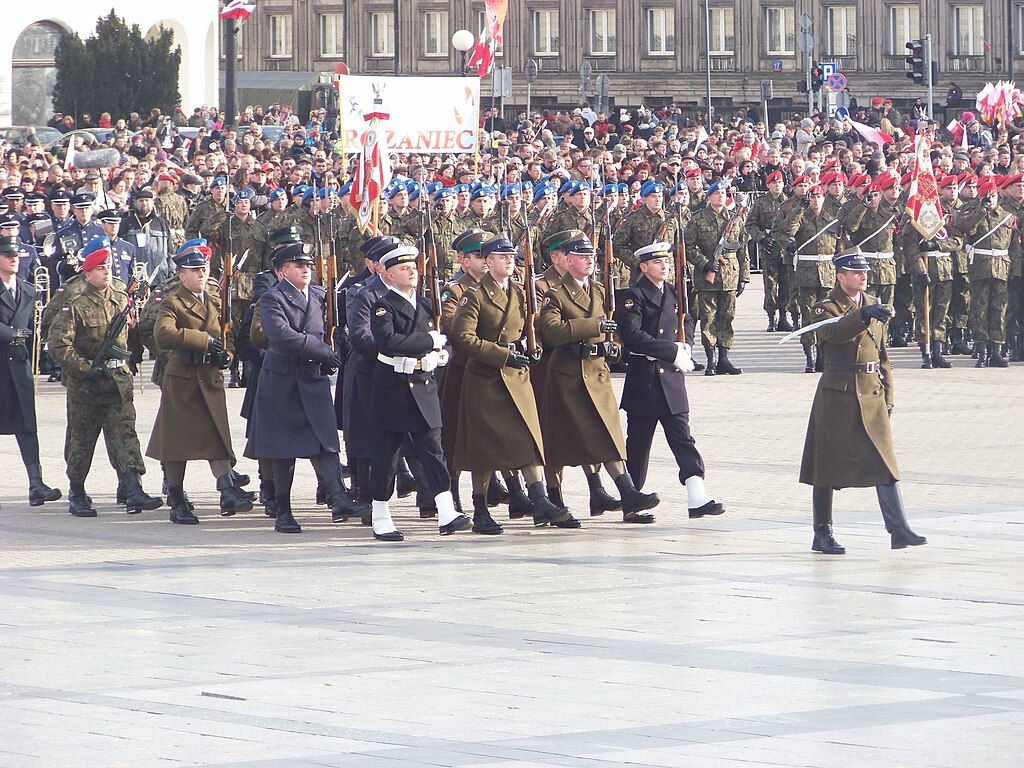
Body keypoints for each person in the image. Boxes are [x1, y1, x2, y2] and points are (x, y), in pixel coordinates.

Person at [799, 252, 927, 554]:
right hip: (838, 394)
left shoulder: (874, 306)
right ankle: (822, 533)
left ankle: (899, 530)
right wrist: (863, 315)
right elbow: (834, 334)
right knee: (826, 466)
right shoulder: (826, 307)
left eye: (864, 272)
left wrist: (890, 395)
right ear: (840, 276)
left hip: (871, 393)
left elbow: (883, 356)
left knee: (884, 462)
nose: (862, 276)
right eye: (854, 272)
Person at [449, 235, 578, 533]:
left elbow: (527, 327)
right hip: (485, 377)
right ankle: (480, 509)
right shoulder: (476, 295)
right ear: (487, 261)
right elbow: (462, 337)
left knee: (528, 438)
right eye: (501, 256)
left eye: (512, 256)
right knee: (483, 449)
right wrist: (501, 354)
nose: (509, 261)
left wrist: (530, 346)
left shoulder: (519, 292)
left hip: (516, 376)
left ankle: (539, 499)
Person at [537, 232, 661, 524]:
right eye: (582, 257)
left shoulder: (600, 291)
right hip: (568, 375)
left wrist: (613, 347)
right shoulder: (556, 294)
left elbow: (615, 330)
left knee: (610, 435)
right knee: (561, 442)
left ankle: (628, 493)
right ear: (568, 261)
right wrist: (589, 326)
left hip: (597, 374)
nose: (589, 262)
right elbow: (551, 331)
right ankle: (554, 501)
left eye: (591, 257)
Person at [245, 238, 367, 533]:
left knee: (325, 442)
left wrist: (333, 353)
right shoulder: (273, 298)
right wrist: (322, 351)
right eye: (298, 266)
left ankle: (338, 497)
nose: (305, 270)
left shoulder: (320, 295)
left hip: (313, 378)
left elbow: (332, 331)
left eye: (308, 266)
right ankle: (283, 510)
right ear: (282, 271)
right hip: (282, 379)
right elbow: (281, 335)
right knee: (283, 449)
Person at [47, 236, 163, 517]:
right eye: (100, 268)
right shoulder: (74, 302)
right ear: (87, 273)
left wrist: (134, 360)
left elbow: (131, 337)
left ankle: (133, 489)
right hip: (86, 383)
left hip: (117, 380)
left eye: (108, 267)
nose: (106, 272)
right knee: (82, 439)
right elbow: (58, 344)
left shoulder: (121, 299)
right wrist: (86, 369)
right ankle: (77, 491)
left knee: (125, 434)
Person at [367, 241, 472, 541]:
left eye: (413, 267)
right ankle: (380, 514)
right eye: (403, 268)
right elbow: (388, 341)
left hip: (424, 386)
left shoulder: (427, 305)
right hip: (393, 388)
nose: (411, 271)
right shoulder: (383, 306)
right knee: (387, 456)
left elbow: (445, 339)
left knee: (433, 450)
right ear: (388, 275)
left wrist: (443, 355)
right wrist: (429, 343)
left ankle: (446, 510)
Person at [146, 240, 254, 524]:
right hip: (182, 377)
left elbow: (226, 337)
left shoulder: (215, 301)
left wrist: (227, 356)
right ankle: (177, 497)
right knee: (175, 444)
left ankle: (227, 489)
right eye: (194, 270)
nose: (201, 274)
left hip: (209, 377)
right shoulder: (173, 301)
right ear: (181, 275)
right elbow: (164, 335)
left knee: (216, 436)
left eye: (203, 269)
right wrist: (203, 340)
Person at [615, 242, 724, 519]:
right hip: (646, 380)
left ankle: (696, 494)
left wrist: (684, 344)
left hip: (672, 378)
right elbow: (632, 336)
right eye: (657, 263)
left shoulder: (675, 292)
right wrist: (670, 350)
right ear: (643, 267)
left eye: (666, 262)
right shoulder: (634, 296)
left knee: (683, 438)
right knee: (638, 444)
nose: (664, 267)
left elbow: (686, 320)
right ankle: (632, 499)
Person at [0, 235, 62, 506]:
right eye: (7, 255)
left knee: (27, 426)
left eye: (16, 255)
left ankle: (36, 483)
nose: (14, 258)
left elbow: (35, 327)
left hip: (20, 364)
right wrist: (11, 333)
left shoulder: (27, 289)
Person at [684, 179, 749, 374]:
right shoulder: (698, 219)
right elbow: (688, 246)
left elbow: (742, 248)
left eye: (723, 193)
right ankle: (711, 359)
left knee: (727, 317)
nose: (720, 196)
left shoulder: (735, 219)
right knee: (708, 318)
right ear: (709, 197)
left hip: (730, 275)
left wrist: (744, 276)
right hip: (707, 277)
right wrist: (704, 263)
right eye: (716, 193)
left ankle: (724, 359)